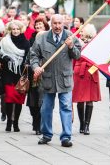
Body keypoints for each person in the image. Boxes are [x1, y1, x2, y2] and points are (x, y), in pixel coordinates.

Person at [30, 14, 81, 147]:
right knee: (46, 108)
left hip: (65, 79)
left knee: (66, 107)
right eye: (55, 24)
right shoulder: (42, 38)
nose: (57, 26)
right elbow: (34, 55)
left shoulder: (70, 36)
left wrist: (71, 47)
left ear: (63, 23)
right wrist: (36, 67)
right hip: (48, 79)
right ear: (50, 24)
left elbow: (78, 55)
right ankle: (46, 134)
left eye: (60, 23)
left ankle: (66, 137)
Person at [0, 20, 30, 132]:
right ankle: (8, 122)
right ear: (10, 30)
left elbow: (28, 57)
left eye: (17, 29)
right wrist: (5, 58)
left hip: (20, 74)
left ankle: (15, 122)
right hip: (8, 73)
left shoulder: (26, 42)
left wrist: (25, 64)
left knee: (18, 99)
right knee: (9, 98)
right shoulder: (5, 41)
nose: (15, 31)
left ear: (21, 29)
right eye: (13, 29)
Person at [72, 24, 101, 135]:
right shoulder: (77, 42)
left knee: (89, 99)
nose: (81, 32)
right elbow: (74, 58)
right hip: (79, 72)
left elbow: (98, 59)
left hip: (91, 72)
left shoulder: (95, 43)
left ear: (88, 32)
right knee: (80, 99)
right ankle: (82, 124)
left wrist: (92, 70)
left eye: (83, 31)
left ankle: (87, 125)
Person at [26, 17, 49, 135]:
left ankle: (39, 125)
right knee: (33, 103)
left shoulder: (49, 41)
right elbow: (27, 57)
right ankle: (35, 121)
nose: (38, 28)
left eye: (41, 26)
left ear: (45, 27)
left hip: (45, 76)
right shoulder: (31, 41)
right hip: (33, 75)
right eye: (37, 26)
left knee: (42, 102)